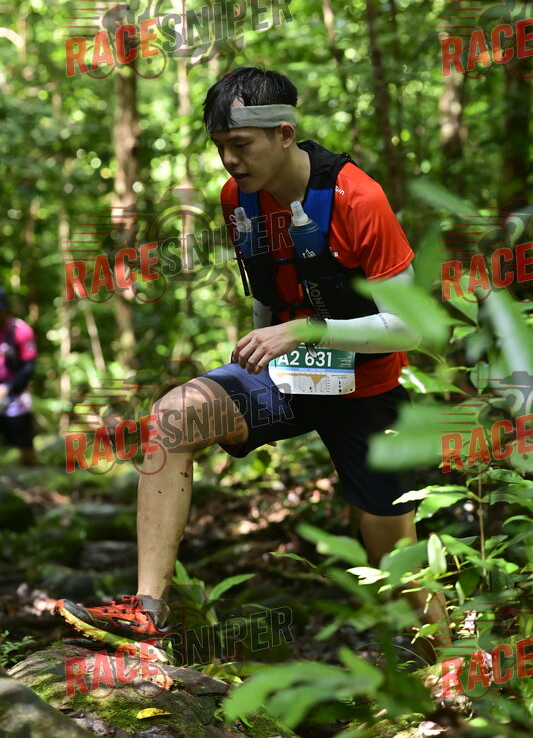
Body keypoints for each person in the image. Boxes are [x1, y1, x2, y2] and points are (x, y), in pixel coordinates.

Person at [55, 67, 449, 660]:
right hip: (286, 375)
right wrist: (259, 349)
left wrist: (305, 331)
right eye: (220, 147)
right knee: (172, 418)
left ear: (285, 134)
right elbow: (268, 284)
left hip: (364, 387)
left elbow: (411, 327)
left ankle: (447, 670)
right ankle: (148, 610)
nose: (229, 161)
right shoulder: (236, 198)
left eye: (240, 145)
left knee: (392, 556)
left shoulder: (358, 198)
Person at [0, 287, 38, 466]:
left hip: (16, 391)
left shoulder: (19, 330)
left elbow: (29, 367)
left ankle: (29, 465)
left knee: (22, 435)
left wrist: (8, 388)